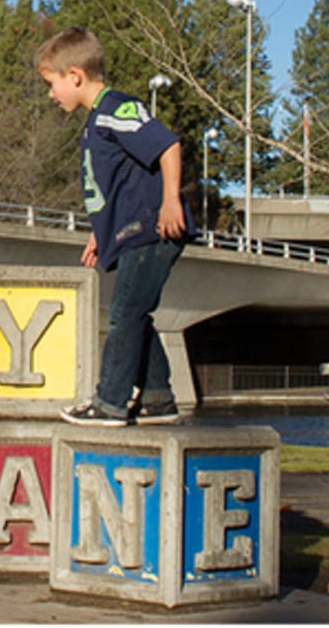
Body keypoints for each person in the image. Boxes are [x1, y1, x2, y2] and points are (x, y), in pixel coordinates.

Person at [35, 28, 192, 427]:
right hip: (130, 231)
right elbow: (116, 187)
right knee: (135, 313)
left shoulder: (115, 108)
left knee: (124, 314)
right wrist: (99, 232)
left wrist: (171, 200)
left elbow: (167, 145)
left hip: (153, 230)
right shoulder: (95, 121)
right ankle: (158, 400)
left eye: (52, 85)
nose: (51, 95)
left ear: (75, 75)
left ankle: (110, 403)